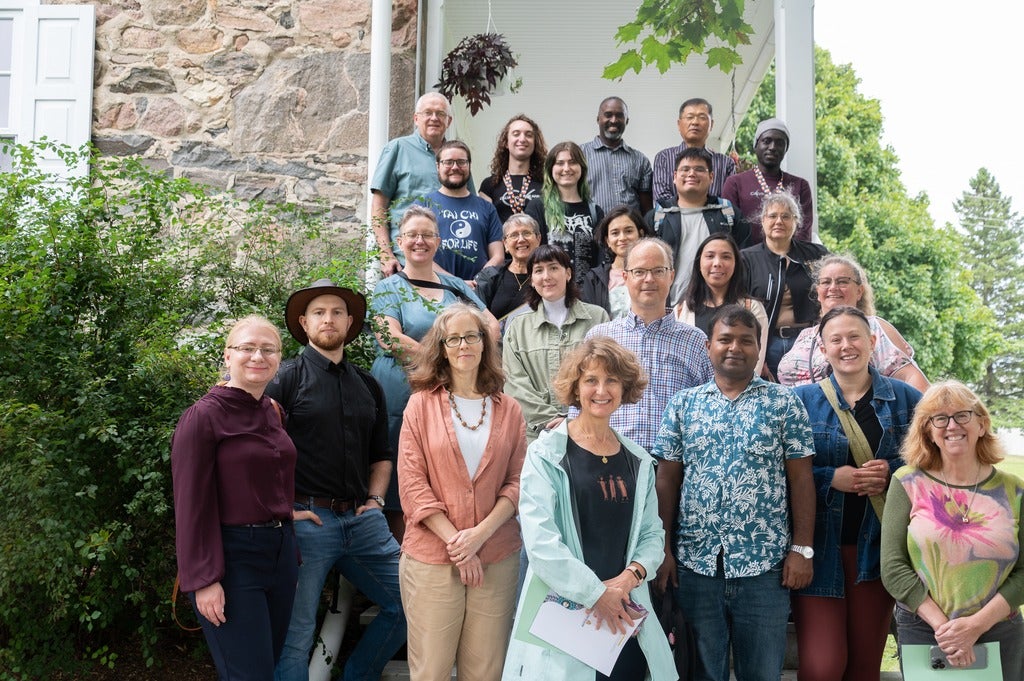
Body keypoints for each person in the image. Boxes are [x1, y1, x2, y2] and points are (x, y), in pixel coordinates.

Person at [653, 305, 816, 681]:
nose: (734, 348)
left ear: (759, 348)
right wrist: (662, 549)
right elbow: (667, 481)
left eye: (746, 340)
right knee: (701, 673)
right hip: (695, 566)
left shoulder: (784, 403)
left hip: (765, 567)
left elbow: (802, 480)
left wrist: (802, 549)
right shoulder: (683, 404)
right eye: (725, 339)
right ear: (708, 346)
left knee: (761, 673)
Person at [503, 337, 676, 681]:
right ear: (575, 387)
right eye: (591, 380)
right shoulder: (546, 454)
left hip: (623, 617)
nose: (602, 389)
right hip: (566, 618)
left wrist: (629, 578)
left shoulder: (638, 460)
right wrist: (596, 594)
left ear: (625, 387)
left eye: (612, 380)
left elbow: (652, 535)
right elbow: (541, 544)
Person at [268, 280, 407, 681]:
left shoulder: (368, 385)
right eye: (319, 312)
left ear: (349, 323)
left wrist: (377, 501)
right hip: (308, 522)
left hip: (363, 521)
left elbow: (382, 455)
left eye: (337, 312)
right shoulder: (285, 380)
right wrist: (284, 508)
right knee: (296, 635)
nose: (329, 319)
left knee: (411, 603)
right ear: (304, 322)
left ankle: (358, 674)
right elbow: (259, 454)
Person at [791, 306, 922, 681]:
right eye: (836, 339)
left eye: (855, 337)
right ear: (823, 348)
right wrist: (831, 477)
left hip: (879, 552)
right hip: (818, 548)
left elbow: (931, 468)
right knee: (823, 667)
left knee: (865, 668)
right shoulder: (799, 402)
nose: (846, 346)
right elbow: (777, 472)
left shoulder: (907, 400)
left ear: (873, 342)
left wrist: (894, 474)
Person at [398, 303, 527, 681]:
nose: (463, 345)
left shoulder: (511, 410)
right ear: (441, 348)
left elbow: (518, 482)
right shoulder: (420, 406)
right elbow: (412, 484)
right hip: (432, 558)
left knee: (486, 671)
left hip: (496, 556)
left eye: (472, 336)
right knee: (431, 671)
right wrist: (458, 543)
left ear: (485, 344)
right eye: (453, 339)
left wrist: (479, 537)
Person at [172, 315, 298, 680]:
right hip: (231, 560)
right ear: (228, 357)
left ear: (278, 358)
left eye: (268, 349)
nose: (258, 356)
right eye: (247, 348)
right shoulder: (203, 417)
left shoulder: (272, 411)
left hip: (280, 554)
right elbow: (190, 504)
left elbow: (271, 471)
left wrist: (286, 513)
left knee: (264, 668)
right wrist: (204, 579)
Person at [881, 381, 1024, 679]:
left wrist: (974, 626)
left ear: (982, 424)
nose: (951, 425)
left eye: (962, 415)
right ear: (929, 432)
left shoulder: (1015, 490)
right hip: (925, 629)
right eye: (939, 418)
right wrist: (947, 631)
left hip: (999, 628)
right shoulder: (907, 483)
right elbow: (893, 567)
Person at [370, 206, 499, 516]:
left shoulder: (454, 287)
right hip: (399, 395)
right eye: (412, 235)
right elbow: (389, 337)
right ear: (399, 242)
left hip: (451, 396)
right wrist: (448, 362)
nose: (420, 241)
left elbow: (491, 326)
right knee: (400, 480)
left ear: (438, 242)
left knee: (444, 476)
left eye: (427, 235)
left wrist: (468, 365)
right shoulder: (388, 288)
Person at [584, 238, 712, 453]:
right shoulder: (600, 337)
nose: (649, 279)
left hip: (674, 464)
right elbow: (580, 405)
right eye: (639, 271)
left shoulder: (696, 341)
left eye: (658, 271)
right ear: (625, 277)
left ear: (671, 276)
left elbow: (712, 408)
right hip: (610, 458)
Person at [777, 254, 930, 392]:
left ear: (859, 291)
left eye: (842, 281)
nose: (833, 288)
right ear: (818, 292)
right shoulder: (806, 335)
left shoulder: (873, 327)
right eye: (826, 282)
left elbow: (911, 378)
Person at [503, 245, 609, 442]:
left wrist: (574, 419)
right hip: (537, 435)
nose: (546, 276)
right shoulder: (518, 326)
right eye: (538, 270)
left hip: (588, 431)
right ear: (532, 280)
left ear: (568, 273)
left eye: (553, 268)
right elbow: (514, 383)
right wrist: (550, 419)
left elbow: (605, 374)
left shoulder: (597, 317)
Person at [370, 92, 460, 275]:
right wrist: (386, 254)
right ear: (416, 118)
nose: (434, 118)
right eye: (428, 112)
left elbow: (467, 201)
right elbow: (379, 205)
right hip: (406, 260)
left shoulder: (456, 156)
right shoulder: (397, 149)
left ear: (448, 121)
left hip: (447, 264)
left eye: (440, 114)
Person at [741, 190, 828, 377]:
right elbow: (740, 307)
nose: (779, 221)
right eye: (772, 216)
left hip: (809, 341)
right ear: (762, 221)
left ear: (796, 222)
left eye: (786, 216)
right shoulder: (746, 259)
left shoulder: (817, 255)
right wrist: (758, 354)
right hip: (768, 343)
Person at [647, 147, 748, 306]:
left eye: (699, 169)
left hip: (718, 307)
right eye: (685, 169)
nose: (691, 174)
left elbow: (744, 259)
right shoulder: (659, 216)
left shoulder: (728, 213)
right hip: (669, 307)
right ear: (674, 176)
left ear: (711, 177)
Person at [674, 233, 768, 375]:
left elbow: (756, 363)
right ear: (699, 263)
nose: (717, 263)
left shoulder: (752, 308)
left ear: (736, 264)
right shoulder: (682, 310)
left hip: (741, 392)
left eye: (726, 257)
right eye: (710, 256)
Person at [415, 140, 504, 282]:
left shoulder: (486, 208)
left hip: (477, 291)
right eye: (448, 162)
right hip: (434, 288)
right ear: (438, 166)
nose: (455, 167)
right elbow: (416, 253)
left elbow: (498, 256)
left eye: (461, 162)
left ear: (469, 165)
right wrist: (457, 283)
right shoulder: (423, 205)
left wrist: (478, 281)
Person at [721, 118, 815, 243]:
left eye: (780, 143)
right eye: (766, 141)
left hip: (788, 258)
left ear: (786, 149)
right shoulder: (735, 183)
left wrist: (789, 258)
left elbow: (804, 230)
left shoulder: (800, 185)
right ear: (756, 145)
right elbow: (727, 223)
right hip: (746, 258)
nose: (772, 147)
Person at [524, 141, 605, 281]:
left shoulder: (594, 211)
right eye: (560, 163)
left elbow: (600, 258)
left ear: (582, 168)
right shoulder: (537, 206)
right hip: (550, 287)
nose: (566, 168)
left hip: (586, 292)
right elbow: (531, 253)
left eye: (572, 162)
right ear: (550, 169)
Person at [652, 98, 736, 202]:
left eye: (702, 117)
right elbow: (661, 199)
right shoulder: (664, 158)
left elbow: (728, 202)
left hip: (715, 218)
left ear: (712, 124)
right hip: (673, 217)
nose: (695, 122)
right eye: (689, 117)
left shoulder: (726, 163)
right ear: (679, 124)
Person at [581, 96, 654, 215]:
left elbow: (647, 209)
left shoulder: (640, 160)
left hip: (630, 230)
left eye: (620, 115)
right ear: (598, 119)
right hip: (593, 230)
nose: (614, 120)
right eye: (608, 115)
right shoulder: (580, 155)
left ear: (627, 121)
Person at [580, 206, 650, 318]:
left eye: (628, 231)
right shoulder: (594, 279)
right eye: (615, 233)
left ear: (640, 234)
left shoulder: (654, 273)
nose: (622, 238)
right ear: (607, 240)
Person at [474, 213, 542, 323]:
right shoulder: (489, 277)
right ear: (505, 244)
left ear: (538, 239)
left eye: (526, 233)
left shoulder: (547, 277)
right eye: (514, 235)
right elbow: (476, 316)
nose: (521, 239)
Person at [479, 114, 547, 224]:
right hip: (501, 241)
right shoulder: (489, 185)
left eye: (529, 135)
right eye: (516, 134)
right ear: (505, 142)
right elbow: (485, 225)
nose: (522, 139)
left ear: (535, 143)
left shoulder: (546, 183)